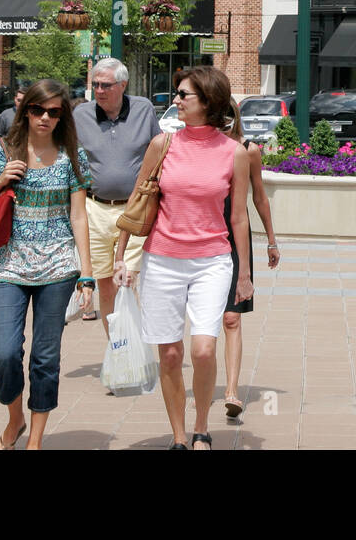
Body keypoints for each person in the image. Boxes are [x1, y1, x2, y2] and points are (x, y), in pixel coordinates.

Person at [113, 66, 252, 449]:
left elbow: (239, 216)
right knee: (171, 355)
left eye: (183, 95)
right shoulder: (163, 145)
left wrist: (245, 275)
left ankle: (202, 426)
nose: (175, 100)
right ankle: (179, 436)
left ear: (207, 102)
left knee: (203, 348)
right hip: (162, 261)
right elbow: (138, 197)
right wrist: (121, 254)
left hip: (213, 261)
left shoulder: (234, 153)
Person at [0, 79, 95, 450]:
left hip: (57, 266)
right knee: (5, 352)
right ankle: (15, 418)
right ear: (25, 111)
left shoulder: (73, 157)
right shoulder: (2, 151)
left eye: (54, 112)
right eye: (38, 110)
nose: (45, 118)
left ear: (62, 117)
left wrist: (86, 275)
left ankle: (35, 441)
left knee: (45, 356)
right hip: (8, 262)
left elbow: (79, 218)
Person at [73, 58, 161, 326]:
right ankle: (117, 350)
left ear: (123, 85)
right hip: (94, 208)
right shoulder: (81, 115)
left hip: (134, 208)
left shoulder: (143, 109)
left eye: (106, 85)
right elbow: (70, 158)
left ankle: (138, 345)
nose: (99, 90)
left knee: (128, 277)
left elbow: (157, 151)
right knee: (105, 282)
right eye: (95, 84)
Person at [221, 100, 279, 418]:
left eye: (228, 114)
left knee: (232, 317)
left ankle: (232, 390)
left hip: (234, 239)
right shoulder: (199, 148)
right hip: (200, 238)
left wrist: (271, 240)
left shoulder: (248, 149)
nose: (224, 120)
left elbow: (258, 196)